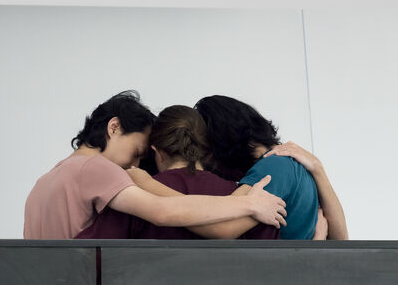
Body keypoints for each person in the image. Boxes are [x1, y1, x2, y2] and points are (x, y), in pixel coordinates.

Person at [23, 91, 288, 240]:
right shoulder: (97, 167)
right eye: (137, 152)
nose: (135, 164)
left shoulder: (43, 182)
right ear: (114, 127)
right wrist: (249, 203)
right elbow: (161, 211)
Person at [128, 95, 347, 240]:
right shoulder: (291, 164)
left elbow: (223, 228)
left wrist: (146, 184)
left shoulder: (271, 169)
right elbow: (342, 242)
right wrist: (318, 169)